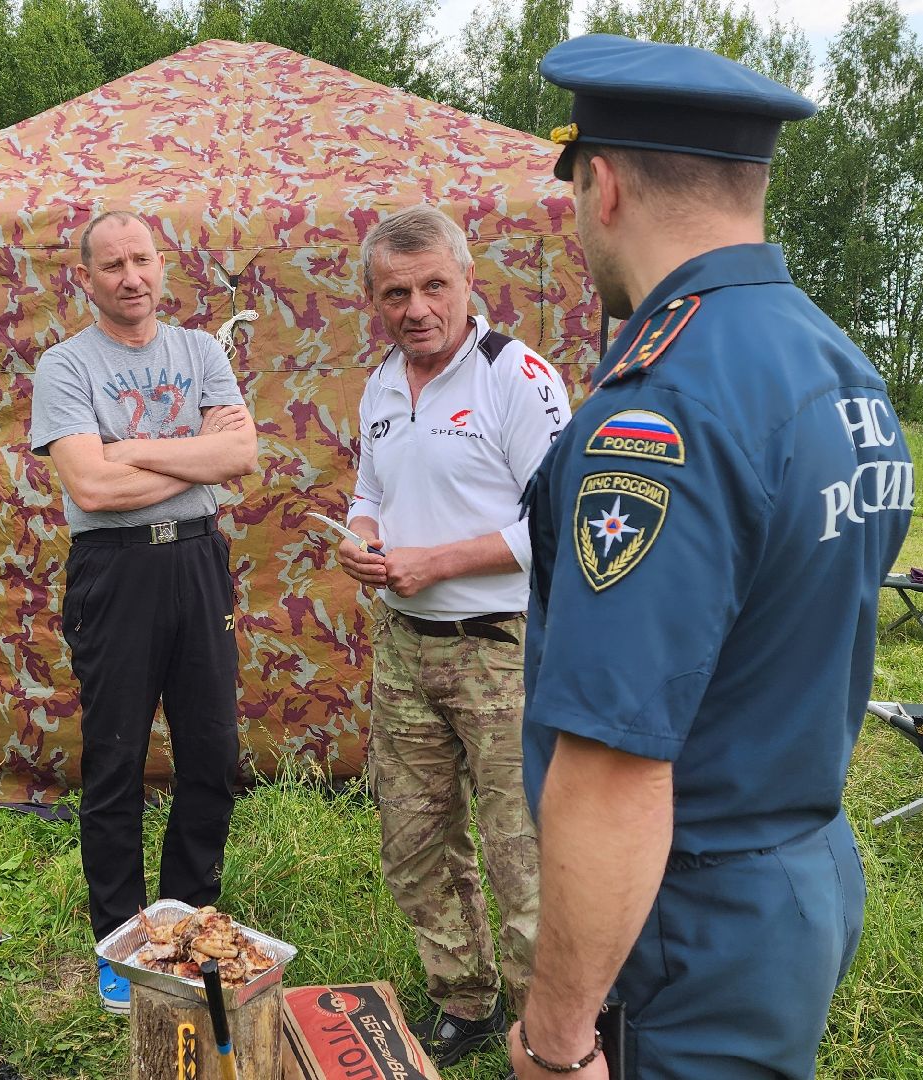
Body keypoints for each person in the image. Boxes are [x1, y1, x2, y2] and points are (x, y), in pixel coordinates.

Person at [508, 36, 915, 1079]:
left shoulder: (659, 412)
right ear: (751, 182)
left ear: (600, 184)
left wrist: (555, 1045)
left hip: (684, 917)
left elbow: (615, 768)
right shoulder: (836, 366)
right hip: (798, 878)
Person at [336, 204, 570, 1068]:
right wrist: (364, 535)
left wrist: (434, 562)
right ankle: (463, 1000)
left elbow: (554, 527)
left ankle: (545, 1026)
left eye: (434, 285)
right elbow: (370, 489)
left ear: (469, 282)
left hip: (501, 648)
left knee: (522, 859)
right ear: (373, 300)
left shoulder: (517, 377)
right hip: (404, 648)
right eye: (395, 292)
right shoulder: (382, 384)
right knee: (413, 841)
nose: (416, 308)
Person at [28, 209, 259, 1014]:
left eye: (143, 260)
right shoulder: (64, 367)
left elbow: (239, 456)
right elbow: (90, 487)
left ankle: (193, 926)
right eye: (113, 265)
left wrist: (128, 448)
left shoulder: (200, 352)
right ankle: (119, 946)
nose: (131, 277)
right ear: (85, 278)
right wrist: (188, 457)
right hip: (112, 571)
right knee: (115, 759)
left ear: (164, 268)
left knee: (210, 752)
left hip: (198, 563)